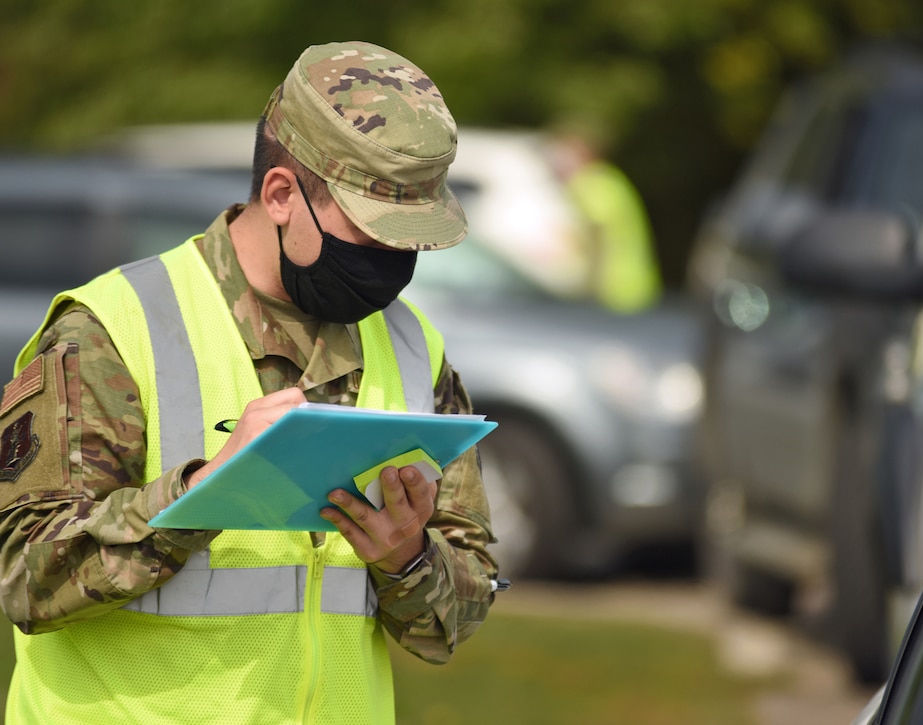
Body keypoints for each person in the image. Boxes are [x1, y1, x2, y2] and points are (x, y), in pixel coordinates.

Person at [0, 41, 499, 724]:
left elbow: (458, 614)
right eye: (374, 231)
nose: (394, 261)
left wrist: (407, 558)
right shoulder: (111, 330)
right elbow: (26, 579)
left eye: (413, 239)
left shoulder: (414, 347)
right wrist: (202, 494)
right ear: (282, 194)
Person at [550, 131, 663, 313]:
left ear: (583, 155)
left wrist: (587, 289)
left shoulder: (589, 184)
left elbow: (596, 236)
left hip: (613, 292)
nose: (556, 163)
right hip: (635, 287)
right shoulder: (611, 180)